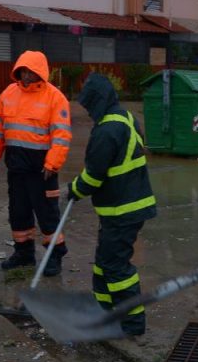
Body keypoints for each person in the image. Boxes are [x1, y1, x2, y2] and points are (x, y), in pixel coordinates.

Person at [67, 74, 157, 337]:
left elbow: (94, 176)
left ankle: (132, 322)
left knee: (117, 268)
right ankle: (105, 309)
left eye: (88, 105)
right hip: (127, 207)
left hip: (122, 210)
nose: (87, 111)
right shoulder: (126, 118)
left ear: (98, 101)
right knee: (104, 262)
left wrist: (73, 190)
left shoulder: (107, 130)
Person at [0, 50, 72, 276]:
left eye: (31, 72)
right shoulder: (8, 94)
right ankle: (24, 253)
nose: (26, 76)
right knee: (18, 211)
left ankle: (54, 256)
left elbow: (61, 136)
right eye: (23, 71)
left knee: (47, 214)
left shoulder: (55, 97)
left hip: (42, 170)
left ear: (40, 73)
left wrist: (52, 165)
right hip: (16, 167)